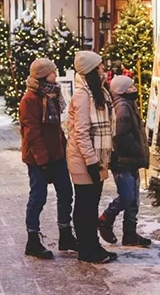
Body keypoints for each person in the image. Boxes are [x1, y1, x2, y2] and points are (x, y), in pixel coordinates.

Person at [20, 58, 78, 260]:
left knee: (65, 193)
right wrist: (42, 161)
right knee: (38, 197)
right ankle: (33, 240)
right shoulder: (30, 99)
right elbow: (32, 133)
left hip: (57, 155)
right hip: (38, 159)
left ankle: (65, 234)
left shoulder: (52, 94)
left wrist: (64, 150)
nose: (56, 75)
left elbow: (56, 130)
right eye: (53, 72)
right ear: (43, 75)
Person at [65, 51, 117, 264]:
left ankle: (92, 245)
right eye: (99, 66)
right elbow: (81, 132)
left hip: (98, 155)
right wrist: (91, 161)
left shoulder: (97, 91)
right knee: (85, 204)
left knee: (91, 203)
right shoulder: (82, 95)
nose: (103, 69)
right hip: (85, 159)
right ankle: (86, 249)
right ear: (91, 70)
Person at [98, 75, 152, 247]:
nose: (134, 89)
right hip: (123, 160)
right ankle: (106, 218)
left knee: (134, 200)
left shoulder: (128, 103)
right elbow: (120, 136)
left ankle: (130, 234)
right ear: (122, 90)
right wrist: (137, 148)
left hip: (131, 160)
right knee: (127, 197)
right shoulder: (122, 106)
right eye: (130, 87)